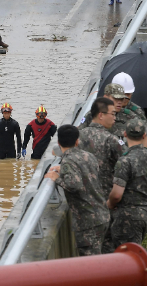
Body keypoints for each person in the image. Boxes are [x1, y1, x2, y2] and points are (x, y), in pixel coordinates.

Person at [44, 125, 109, 256]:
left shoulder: (68, 161)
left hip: (87, 222)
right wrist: (65, 171)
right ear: (77, 141)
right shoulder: (89, 156)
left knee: (91, 264)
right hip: (102, 215)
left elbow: (74, 185)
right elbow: (87, 175)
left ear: (58, 143)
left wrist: (57, 178)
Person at [106, 119, 147, 251]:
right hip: (144, 212)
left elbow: (117, 194)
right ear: (144, 135)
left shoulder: (125, 161)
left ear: (124, 134)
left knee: (127, 256)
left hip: (128, 216)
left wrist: (110, 204)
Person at [78, 97, 124, 200]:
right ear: (101, 115)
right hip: (105, 198)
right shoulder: (111, 139)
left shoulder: (77, 136)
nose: (115, 118)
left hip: (82, 198)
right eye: (112, 114)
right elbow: (127, 163)